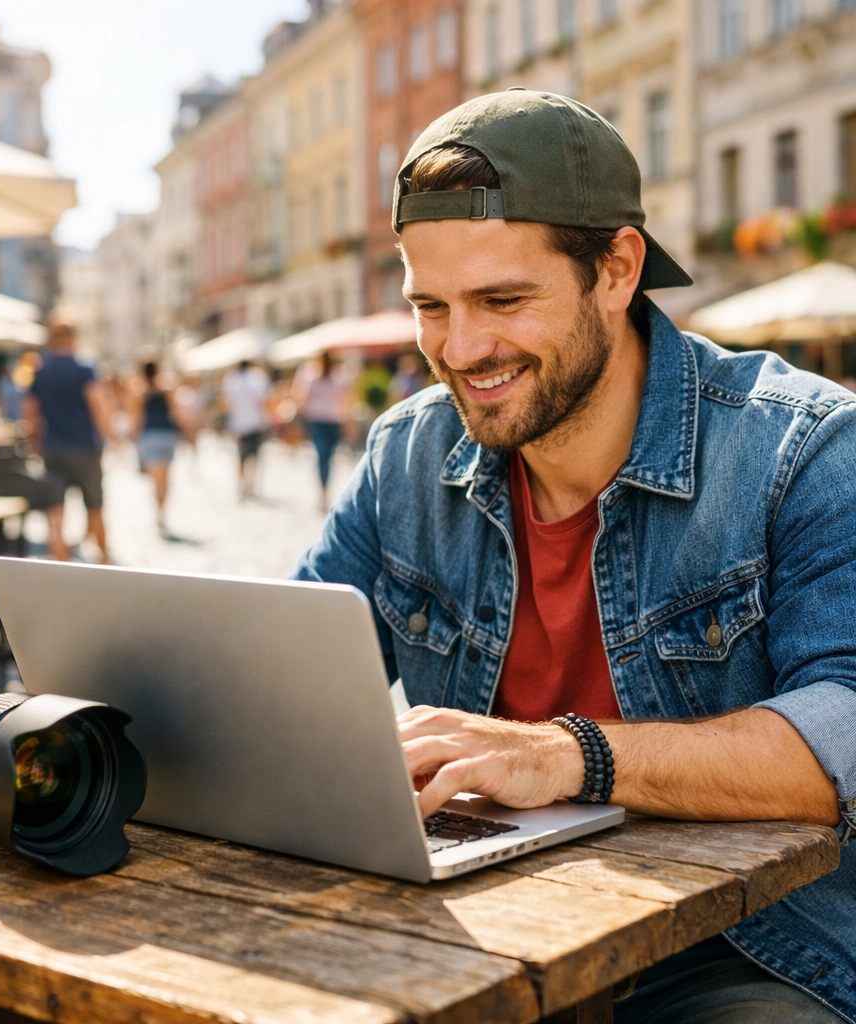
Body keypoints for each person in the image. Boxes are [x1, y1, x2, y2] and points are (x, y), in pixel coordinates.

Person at [294, 90, 855, 1022]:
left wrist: (571, 756)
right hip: (485, 921)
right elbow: (287, 672)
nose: (462, 347)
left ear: (617, 269)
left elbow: (844, 732)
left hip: (750, 951)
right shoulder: (408, 453)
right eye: (430, 306)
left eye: (503, 299)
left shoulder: (802, 446)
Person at [23, 315, 111, 563]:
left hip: (53, 447)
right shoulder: (85, 368)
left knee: (56, 513)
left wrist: (34, 441)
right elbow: (97, 404)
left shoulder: (40, 371)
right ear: (73, 338)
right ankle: (104, 562)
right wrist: (112, 437)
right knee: (95, 506)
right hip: (85, 447)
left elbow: (30, 412)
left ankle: (58, 564)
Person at [131, 359, 184, 538]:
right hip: (167, 434)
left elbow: (137, 417)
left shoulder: (139, 390)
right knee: (165, 478)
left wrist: (134, 439)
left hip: (149, 436)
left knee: (156, 479)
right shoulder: (167, 387)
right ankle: (161, 513)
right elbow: (175, 412)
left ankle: (157, 512)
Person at [293, 352, 351, 512]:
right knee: (328, 457)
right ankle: (325, 492)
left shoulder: (310, 376)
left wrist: (299, 418)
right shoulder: (339, 376)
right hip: (333, 420)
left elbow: (303, 399)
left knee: (322, 457)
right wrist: (347, 422)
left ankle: (323, 493)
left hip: (317, 420)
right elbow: (344, 401)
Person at [221, 360, 271, 500]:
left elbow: (226, 403)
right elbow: (264, 401)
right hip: (256, 422)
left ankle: (242, 483)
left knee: (241, 455)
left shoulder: (231, 379)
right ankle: (251, 483)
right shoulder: (259, 378)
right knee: (254, 455)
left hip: (238, 423)